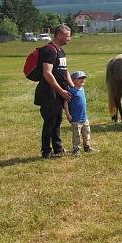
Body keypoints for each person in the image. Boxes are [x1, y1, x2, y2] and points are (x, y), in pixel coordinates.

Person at [34, 24, 73, 159]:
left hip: (59, 91)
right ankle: (46, 152)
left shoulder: (60, 51)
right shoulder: (49, 50)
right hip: (49, 92)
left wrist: (72, 86)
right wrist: (61, 91)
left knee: (57, 120)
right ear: (59, 35)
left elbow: (65, 70)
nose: (70, 38)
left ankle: (58, 148)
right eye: (68, 35)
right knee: (50, 121)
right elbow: (47, 73)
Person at [62, 71, 97, 156]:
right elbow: (65, 102)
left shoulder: (82, 89)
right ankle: (76, 150)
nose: (82, 80)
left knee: (87, 133)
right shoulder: (71, 91)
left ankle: (87, 147)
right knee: (76, 135)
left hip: (84, 118)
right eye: (80, 78)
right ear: (73, 80)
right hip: (75, 118)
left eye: (83, 78)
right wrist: (68, 114)